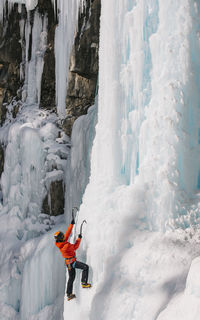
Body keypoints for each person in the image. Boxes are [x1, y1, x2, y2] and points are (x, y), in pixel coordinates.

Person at [54, 218, 91, 301]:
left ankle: (69, 294)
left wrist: (71, 224)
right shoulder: (66, 246)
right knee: (85, 267)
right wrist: (79, 238)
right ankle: (84, 283)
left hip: (69, 263)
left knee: (71, 278)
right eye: (62, 236)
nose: (64, 236)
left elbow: (67, 235)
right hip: (72, 262)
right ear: (61, 238)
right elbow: (75, 247)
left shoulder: (60, 243)